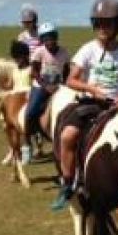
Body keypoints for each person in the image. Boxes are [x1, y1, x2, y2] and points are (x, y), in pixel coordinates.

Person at [51, 0, 118, 211]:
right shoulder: (87, 50)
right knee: (68, 135)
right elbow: (71, 80)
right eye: (97, 23)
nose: (101, 27)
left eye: (107, 23)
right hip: (91, 103)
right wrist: (92, 90)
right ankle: (67, 181)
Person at [23, 23, 71, 164]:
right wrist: (45, 86)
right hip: (41, 86)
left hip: (59, 87)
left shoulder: (64, 52)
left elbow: (67, 71)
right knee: (31, 112)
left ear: (56, 37)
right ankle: (26, 143)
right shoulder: (39, 52)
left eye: (52, 37)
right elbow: (35, 72)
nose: (49, 41)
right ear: (43, 39)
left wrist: (64, 85)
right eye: (46, 38)